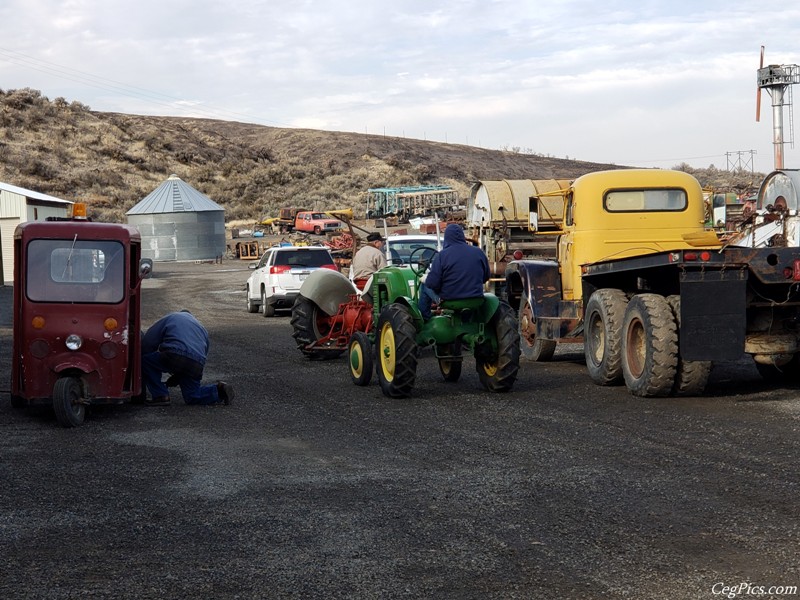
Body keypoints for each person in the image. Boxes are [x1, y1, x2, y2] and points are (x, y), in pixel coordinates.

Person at [141, 310, 233, 406]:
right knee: (192, 396)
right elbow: (200, 354)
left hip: (174, 354)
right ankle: (220, 390)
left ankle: (160, 395)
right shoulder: (201, 328)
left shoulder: (172, 317)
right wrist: (178, 376)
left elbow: (148, 343)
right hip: (197, 363)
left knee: (146, 361)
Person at [418, 223, 490, 320]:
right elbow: (486, 277)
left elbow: (433, 283)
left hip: (450, 300)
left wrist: (426, 279)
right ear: (462, 236)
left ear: (447, 238)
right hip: (476, 299)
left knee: (425, 285)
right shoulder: (478, 252)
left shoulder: (442, 256)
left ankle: (425, 318)